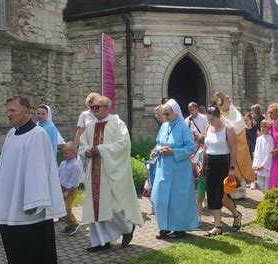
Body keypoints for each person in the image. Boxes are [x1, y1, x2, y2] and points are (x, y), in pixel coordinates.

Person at [0, 95, 66, 264]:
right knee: (14, 256)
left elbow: (37, 170)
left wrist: (33, 202)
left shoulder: (37, 134)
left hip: (30, 212)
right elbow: (5, 171)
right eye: (7, 110)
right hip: (10, 207)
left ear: (26, 111)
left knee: (32, 257)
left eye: (12, 110)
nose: (8, 114)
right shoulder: (11, 134)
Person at [79, 96, 144, 252]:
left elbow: (123, 145)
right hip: (93, 170)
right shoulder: (89, 125)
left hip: (109, 172)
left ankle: (128, 227)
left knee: (112, 207)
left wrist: (101, 149)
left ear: (108, 108)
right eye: (92, 107)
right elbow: (82, 144)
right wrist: (85, 151)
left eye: (97, 107)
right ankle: (100, 241)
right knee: (95, 208)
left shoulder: (117, 123)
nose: (93, 110)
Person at [150, 99, 198, 239]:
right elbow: (158, 142)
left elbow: (190, 148)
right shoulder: (164, 126)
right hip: (163, 168)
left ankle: (179, 229)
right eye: (163, 114)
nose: (165, 116)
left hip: (179, 170)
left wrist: (173, 151)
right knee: (160, 198)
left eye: (167, 113)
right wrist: (157, 149)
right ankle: (164, 227)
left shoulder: (183, 127)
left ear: (175, 112)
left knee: (177, 200)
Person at [203, 104, 242, 236]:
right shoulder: (208, 128)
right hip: (210, 163)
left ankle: (236, 215)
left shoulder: (228, 129)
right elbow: (205, 147)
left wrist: (232, 168)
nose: (210, 122)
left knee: (223, 195)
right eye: (208, 119)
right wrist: (203, 164)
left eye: (212, 119)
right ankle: (218, 226)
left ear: (219, 116)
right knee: (212, 195)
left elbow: (233, 149)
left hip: (223, 163)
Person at [212, 92, 254, 199]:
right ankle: (228, 191)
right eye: (225, 101)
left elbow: (238, 126)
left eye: (228, 101)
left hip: (236, 147)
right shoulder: (219, 114)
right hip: (224, 147)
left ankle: (239, 192)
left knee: (236, 168)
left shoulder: (235, 113)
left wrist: (225, 122)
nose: (228, 102)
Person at [58, 141, 83, 235]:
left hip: (71, 190)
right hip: (62, 188)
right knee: (62, 209)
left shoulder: (75, 166)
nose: (64, 155)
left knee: (66, 208)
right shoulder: (63, 163)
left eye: (66, 153)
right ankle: (69, 224)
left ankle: (74, 223)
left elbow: (73, 180)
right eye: (63, 153)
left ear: (74, 153)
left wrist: (68, 191)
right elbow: (58, 174)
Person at [252, 120, 274, 193]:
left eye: (265, 127)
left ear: (269, 128)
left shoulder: (270, 139)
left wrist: (263, 165)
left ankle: (267, 199)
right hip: (259, 166)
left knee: (267, 185)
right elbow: (256, 153)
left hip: (266, 166)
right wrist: (255, 164)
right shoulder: (259, 139)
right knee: (260, 184)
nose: (263, 128)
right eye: (261, 126)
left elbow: (269, 154)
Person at [191, 134, 206, 222]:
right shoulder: (199, 152)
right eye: (201, 145)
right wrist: (198, 172)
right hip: (201, 179)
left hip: (209, 178)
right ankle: (198, 217)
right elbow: (196, 164)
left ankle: (215, 216)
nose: (202, 146)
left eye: (203, 144)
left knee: (212, 199)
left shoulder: (210, 152)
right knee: (199, 198)